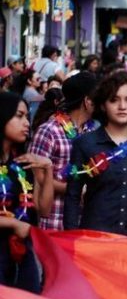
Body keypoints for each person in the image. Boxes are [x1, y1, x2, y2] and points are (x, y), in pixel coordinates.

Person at [64, 72, 127, 237]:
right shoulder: (85, 144)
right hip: (95, 240)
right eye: (114, 100)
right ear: (102, 105)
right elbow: (72, 196)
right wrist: (71, 239)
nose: (122, 106)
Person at [28, 72, 98, 231]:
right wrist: (76, 188)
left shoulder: (93, 131)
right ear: (87, 101)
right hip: (55, 220)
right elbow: (38, 178)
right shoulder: (49, 131)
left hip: (85, 222)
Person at [0, 92, 55, 292]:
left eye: (26, 117)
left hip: (22, 253)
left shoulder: (24, 162)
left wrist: (47, 169)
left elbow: (44, 209)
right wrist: (13, 223)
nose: (26, 123)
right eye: (19, 116)